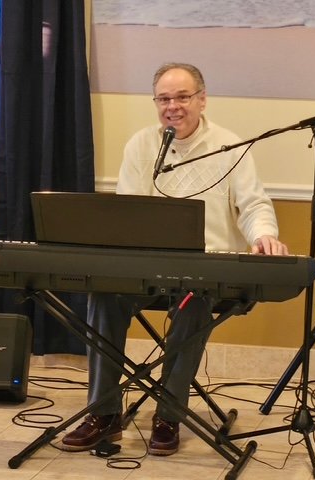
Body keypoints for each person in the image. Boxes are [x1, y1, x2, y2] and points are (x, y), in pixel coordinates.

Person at [61, 62, 288, 455]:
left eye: (182, 97)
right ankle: (104, 413)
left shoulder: (230, 146)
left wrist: (264, 235)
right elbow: (129, 214)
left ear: (202, 99)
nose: (173, 106)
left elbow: (253, 205)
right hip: (147, 270)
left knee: (193, 303)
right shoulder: (141, 146)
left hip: (203, 275)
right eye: (164, 99)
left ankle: (169, 415)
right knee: (104, 296)